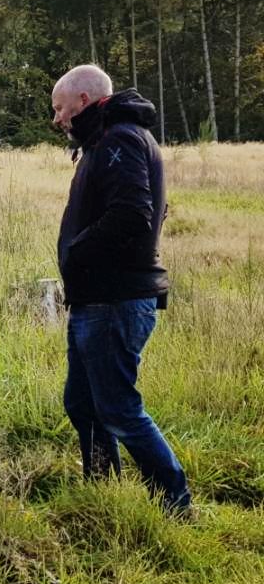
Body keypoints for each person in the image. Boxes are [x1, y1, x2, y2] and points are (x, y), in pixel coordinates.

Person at [51, 64, 190, 514]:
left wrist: (77, 250)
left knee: (119, 409)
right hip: (98, 298)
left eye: (60, 108)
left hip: (114, 299)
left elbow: (134, 212)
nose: (57, 119)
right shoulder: (105, 140)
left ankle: (175, 501)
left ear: (84, 101)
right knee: (83, 402)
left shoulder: (119, 139)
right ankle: (102, 489)